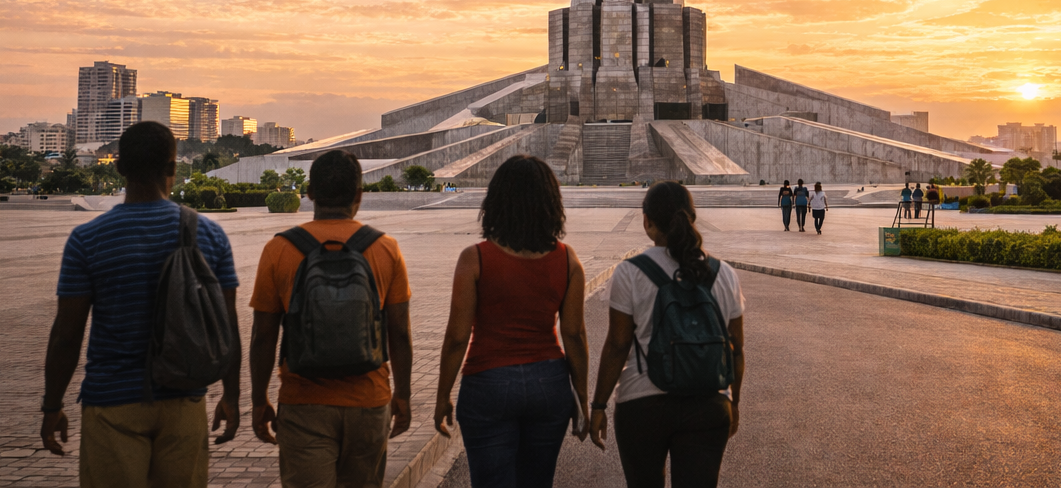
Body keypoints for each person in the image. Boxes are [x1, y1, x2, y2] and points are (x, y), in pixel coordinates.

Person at [41, 121, 241, 488]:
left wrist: (52, 405)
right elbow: (227, 327)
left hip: (112, 402)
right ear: (172, 168)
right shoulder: (209, 235)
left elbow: (67, 335)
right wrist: (231, 396)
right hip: (184, 399)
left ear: (118, 166)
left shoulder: (87, 239)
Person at [248, 150, 413, 488]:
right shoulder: (385, 248)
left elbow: (263, 335)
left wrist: (258, 399)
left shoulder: (279, 249)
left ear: (309, 192)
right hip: (369, 401)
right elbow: (399, 333)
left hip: (304, 402)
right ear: (358, 194)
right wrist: (404, 396)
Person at [433, 155, 589, 487]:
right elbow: (573, 334)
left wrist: (442, 394)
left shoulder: (475, 259)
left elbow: (458, 337)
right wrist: (584, 397)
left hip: (488, 381)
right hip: (549, 383)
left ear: (495, 202)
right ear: (551, 204)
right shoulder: (567, 260)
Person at [589, 181, 746, 488]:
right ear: (692, 218)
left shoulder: (630, 272)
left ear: (647, 222)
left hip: (642, 403)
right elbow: (736, 348)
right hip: (709, 401)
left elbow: (619, 343)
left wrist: (598, 405)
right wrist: (733, 403)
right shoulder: (724, 273)